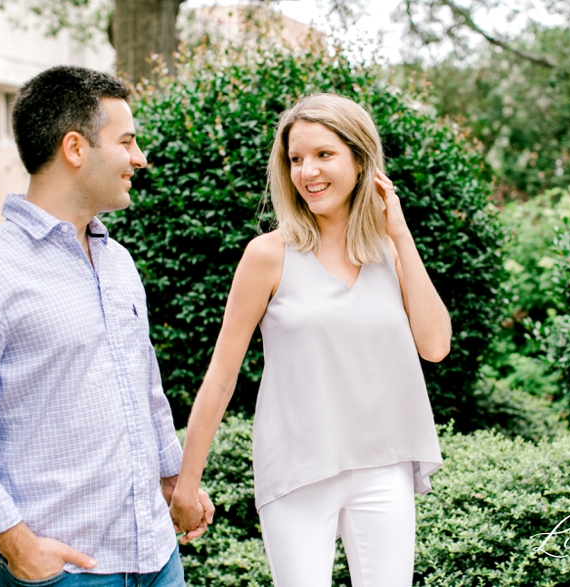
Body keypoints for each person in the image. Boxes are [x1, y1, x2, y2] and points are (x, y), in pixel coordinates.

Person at [0, 66, 213, 586]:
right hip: (62, 570)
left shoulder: (118, 261)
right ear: (75, 148)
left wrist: (173, 481)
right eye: (127, 141)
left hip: (155, 557)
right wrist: (18, 546)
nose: (140, 158)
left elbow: (146, 390)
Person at [169, 93, 451, 586]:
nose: (307, 172)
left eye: (324, 155)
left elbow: (435, 345)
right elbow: (221, 376)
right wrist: (186, 486)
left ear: (361, 162)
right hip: (297, 469)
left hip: (383, 464)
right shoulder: (268, 254)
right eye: (296, 159)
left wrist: (401, 235)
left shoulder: (390, 249)